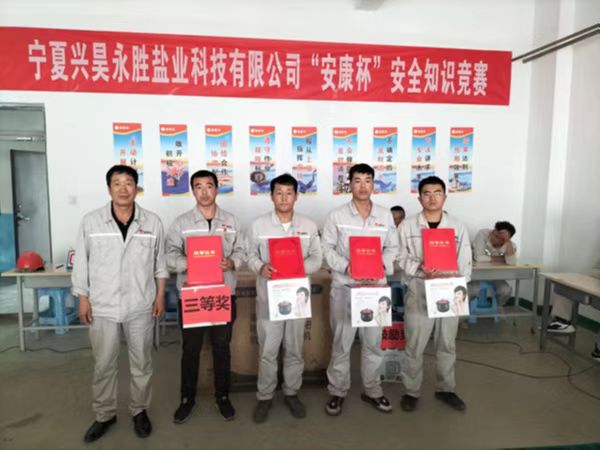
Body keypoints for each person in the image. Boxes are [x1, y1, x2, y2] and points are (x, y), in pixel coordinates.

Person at [72, 165, 168, 443]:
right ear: (109, 189)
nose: (123, 189)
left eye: (129, 183)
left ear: (136, 188)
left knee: (142, 363)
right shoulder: (91, 222)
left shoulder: (152, 222)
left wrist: (160, 295)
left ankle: (139, 410)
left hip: (140, 303)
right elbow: (81, 264)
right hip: (102, 305)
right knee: (104, 364)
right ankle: (105, 414)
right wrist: (83, 298)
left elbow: (160, 264)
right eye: (117, 183)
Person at [166, 170, 245, 423]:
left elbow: (243, 251)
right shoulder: (181, 223)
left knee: (222, 347)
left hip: (223, 294)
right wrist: (189, 263)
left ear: (216, 189)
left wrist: (232, 262)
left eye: (209, 186)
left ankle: (223, 396)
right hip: (192, 296)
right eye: (198, 187)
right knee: (191, 349)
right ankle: (187, 398)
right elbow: (169, 256)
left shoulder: (231, 221)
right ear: (193, 191)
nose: (204, 192)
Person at [321, 163, 399, 416]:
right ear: (350, 184)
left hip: (375, 290)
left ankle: (373, 389)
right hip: (345, 287)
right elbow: (326, 249)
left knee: (373, 343)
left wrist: (380, 266)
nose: (363, 186)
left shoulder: (385, 215)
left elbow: (393, 247)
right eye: (357, 180)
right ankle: (337, 391)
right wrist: (346, 266)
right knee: (341, 343)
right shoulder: (336, 216)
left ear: (373, 184)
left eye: (368, 180)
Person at [246, 173, 322, 423]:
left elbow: (317, 258)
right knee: (268, 351)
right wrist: (260, 267)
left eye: (289, 193)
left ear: (296, 196)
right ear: (271, 196)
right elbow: (249, 254)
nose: (284, 198)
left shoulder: (308, 226)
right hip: (269, 299)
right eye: (279, 193)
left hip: (297, 300)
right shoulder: (258, 225)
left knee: (294, 349)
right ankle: (265, 396)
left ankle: (291, 392)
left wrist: (297, 269)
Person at [397, 175, 472, 413]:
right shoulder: (407, 226)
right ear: (419, 198)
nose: (432, 198)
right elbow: (399, 256)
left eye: (437, 193)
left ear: (445, 197)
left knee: (447, 343)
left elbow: (465, 260)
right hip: (419, 289)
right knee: (414, 344)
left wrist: (457, 285)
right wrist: (420, 268)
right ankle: (411, 390)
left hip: (449, 289)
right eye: (427, 194)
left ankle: (446, 388)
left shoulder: (457, 226)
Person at [469, 221, 517, 304]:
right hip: (476, 273)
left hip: (494, 274)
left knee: (505, 291)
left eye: (501, 238)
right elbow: (478, 258)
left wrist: (508, 242)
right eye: (495, 235)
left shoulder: (510, 245)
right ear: (493, 231)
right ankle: (466, 309)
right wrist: (502, 259)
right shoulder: (483, 234)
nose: (495, 239)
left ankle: (497, 307)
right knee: (473, 290)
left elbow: (512, 262)